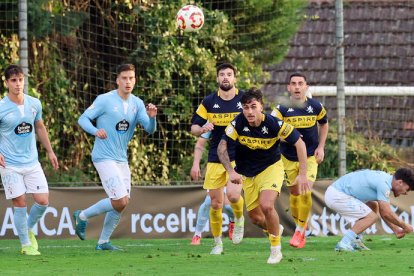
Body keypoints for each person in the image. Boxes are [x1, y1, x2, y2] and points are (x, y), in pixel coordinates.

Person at [217, 88, 310, 264]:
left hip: (271, 168)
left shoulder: (274, 123)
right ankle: (276, 229)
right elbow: (221, 147)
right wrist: (231, 171)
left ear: (261, 107)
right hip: (247, 173)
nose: (250, 112)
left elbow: (300, 143)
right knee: (257, 218)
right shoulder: (237, 123)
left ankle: (275, 250)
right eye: (246, 107)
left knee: (266, 206)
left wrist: (303, 174)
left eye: (253, 107)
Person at [74, 64, 157, 250]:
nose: (128, 82)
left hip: (121, 159)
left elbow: (150, 130)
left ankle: (103, 242)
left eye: (131, 78)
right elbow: (83, 119)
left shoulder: (137, 103)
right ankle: (82, 216)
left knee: (121, 204)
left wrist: (152, 117)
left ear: (135, 80)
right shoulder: (104, 100)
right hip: (103, 157)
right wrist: (96, 131)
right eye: (124, 78)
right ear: (117, 80)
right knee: (120, 200)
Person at [0, 64, 59, 255]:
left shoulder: (34, 103)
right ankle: (26, 245)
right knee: (20, 202)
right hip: (9, 164)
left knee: (43, 201)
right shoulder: (1, 107)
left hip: (32, 162)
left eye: (20, 80)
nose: (18, 84)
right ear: (6, 82)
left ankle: (27, 227)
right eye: (13, 81)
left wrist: (50, 152)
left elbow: (40, 127)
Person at [191, 63, 245, 255]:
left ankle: (239, 219)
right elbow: (194, 128)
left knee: (233, 195)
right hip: (215, 157)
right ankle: (217, 243)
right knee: (215, 203)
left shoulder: (243, 99)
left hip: (239, 156)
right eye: (222, 74)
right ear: (217, 78)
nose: (225, 77)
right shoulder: (208, 102)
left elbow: (257, 119)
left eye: (229, 74)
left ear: (234, 78)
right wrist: (202, 128)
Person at [271, 72, 328, 248]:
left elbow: (324, 124)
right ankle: (300, 226)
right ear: (289, 87)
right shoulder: (281, 109)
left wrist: (320, 147)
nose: (297, 87)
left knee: (305, 191)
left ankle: (299, 231)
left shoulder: (316, 106)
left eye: (300, 83)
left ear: (306, 87)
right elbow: (272, 131)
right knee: (295, 194)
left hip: (310, 157)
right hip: (287, 158)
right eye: (293, 84)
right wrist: (289, 137)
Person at [324, 168, 414, 252]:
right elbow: (387, 213)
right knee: (371, 217)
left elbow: (384, 211)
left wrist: (396, 230)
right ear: (400, 182)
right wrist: (405, 226)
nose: (406, 193)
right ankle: (344, 243)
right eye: (408, 189)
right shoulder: (384, 184)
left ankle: (356, 241)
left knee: (373, 205)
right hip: (336, 195)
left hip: (336, 193)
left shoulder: (385, 179)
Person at [190, 134, 234, 245]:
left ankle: (233, 222)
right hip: (216, 166)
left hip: (234, 165)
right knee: (208, 202)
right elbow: (200, 142)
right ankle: (197, 235)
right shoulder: (213, 121)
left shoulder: (238, 120)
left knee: (229, 205)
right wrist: (196, 164)